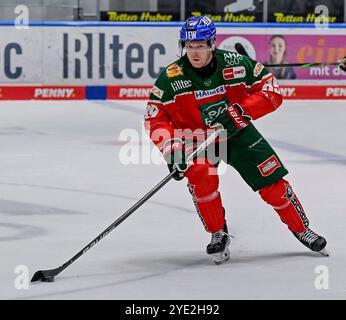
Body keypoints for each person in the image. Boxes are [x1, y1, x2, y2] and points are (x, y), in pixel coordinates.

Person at [144, 16, 327, 264]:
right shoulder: (171, 77)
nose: (194, 52)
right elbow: (155, 118)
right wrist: (173, 151)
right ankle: (218, 233)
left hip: (238, 133)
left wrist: (241, 112)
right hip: (199, 139)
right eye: (189, 46)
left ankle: (301, 229)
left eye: (200, 46)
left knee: (273, 184)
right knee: (201, 178)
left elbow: (271, 89)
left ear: (212, 43)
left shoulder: (236, 64)